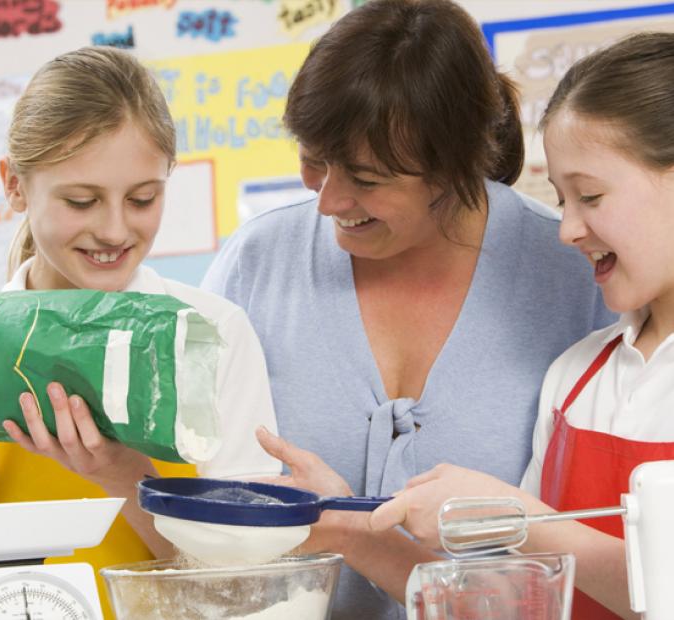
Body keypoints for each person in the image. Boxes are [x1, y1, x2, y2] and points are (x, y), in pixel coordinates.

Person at [201, 0, 616, 617]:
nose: (328, 200)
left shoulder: (579, 276)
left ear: (454, 167)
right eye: (314, 160)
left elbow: (602, 561)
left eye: (366, 180)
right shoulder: (256, 263)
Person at [0, 46, 280, 618]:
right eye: (81, 200)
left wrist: (121, 473)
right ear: (14, 185)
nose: (115, 228)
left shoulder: (211, 334)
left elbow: (246, 591)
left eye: (143, 198)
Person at [367, 31, 674, 620]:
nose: (567, 230)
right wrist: (345, 529)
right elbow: (519, 599)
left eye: (591, 196)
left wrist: (522, 518)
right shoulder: (577, 375)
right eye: (561, 200)